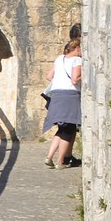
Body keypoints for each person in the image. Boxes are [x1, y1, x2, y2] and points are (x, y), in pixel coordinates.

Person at [44, 27, 83, 169]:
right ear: (77, 48)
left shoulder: (59, 59)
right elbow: (74, 80)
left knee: (61, 129)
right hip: (70, 97)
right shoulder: (77, 61)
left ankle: (49, 157)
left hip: (56, 95)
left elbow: (49, 76)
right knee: (69, 129)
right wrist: (84, 74)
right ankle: (60, 161)